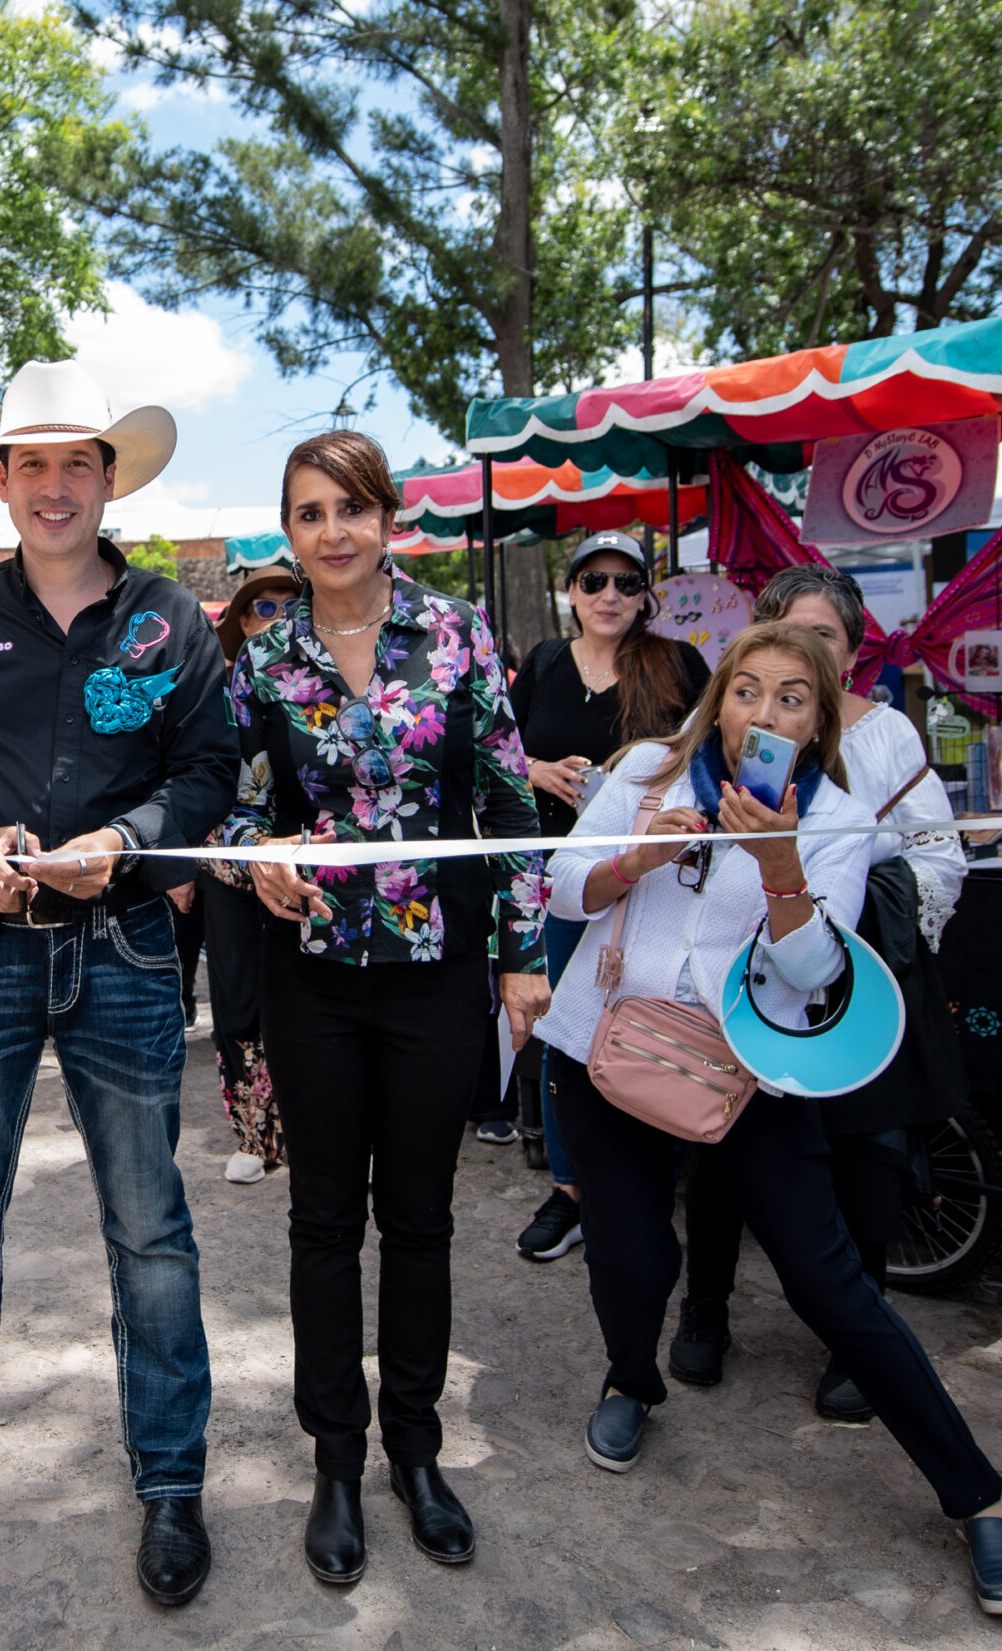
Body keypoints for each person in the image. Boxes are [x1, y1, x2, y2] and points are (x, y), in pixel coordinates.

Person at [540, 621, 1002, 1616]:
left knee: (832, 1286)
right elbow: (560, 883)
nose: (762, 712)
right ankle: (629, 1380)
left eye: (790, 697)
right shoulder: (648, 768)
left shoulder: (838, 820)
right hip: (607, 1050)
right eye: (746, 690)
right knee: (631, 1257)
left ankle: (981, 1493)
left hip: (746, 1078)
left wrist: (778, 864)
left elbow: (815, 976)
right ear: (716, 698)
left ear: (819, 721)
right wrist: (635, 859)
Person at [0, 359, 238, 1607]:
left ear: (109, 477)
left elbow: (207, 775)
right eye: (30, 462)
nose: (54, 483)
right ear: (5, 482)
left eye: (77, 460)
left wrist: (125, 843)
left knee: (150, 1231)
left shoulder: (168, 618)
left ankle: (172, 1483)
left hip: (128, 946)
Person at [221, 431, 550, 1585]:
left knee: (419, 1219)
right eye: (309, 513)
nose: (332, 532)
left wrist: (523, 952)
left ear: (388, 516)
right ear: (290, 531)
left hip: (439, 974)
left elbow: (510, 799)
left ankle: (416, 1450)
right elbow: (225, 808)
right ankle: (335, 1459)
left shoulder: (455, 633)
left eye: (350, 508)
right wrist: (248, 855)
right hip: (311, 973)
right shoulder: (265, 660)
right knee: (322, 1224)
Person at [673, 564, 967, 1418]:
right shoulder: (726, 724)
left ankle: (855, 1334)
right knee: (725, 1142)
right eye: (785, 637)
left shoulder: (885, 739)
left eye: (825, 639)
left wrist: (849, 904)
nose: (804, 654)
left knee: (862, 1152)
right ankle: (704, 1307)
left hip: (856, 970)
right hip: (753, 975)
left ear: (851, 650)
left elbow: (937, 853)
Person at [503, 535, 711, 1258]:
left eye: (627, 582)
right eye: (595, 580)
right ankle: (571, 1188)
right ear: (572, 590)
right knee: (566, 1031)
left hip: (652, 882)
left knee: (652, 1027)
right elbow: (496, 748)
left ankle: (651, 1181)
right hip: (561, 877)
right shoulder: (544, 662)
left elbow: (712, 748)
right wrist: (535, 770)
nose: (610, 594)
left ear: (645, 594)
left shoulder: (677, 664)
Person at [204, 564, 300, 1184]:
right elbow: (192, 783)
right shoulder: (210, 692)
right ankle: (254, 1136)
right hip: (228, 862)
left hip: (304, 869)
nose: (278, 617)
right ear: (241, 622)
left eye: (292, 607)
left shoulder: (328, 689)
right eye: (265, 608)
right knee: (238, 1004)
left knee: (305, 1007)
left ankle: (309, 1133)